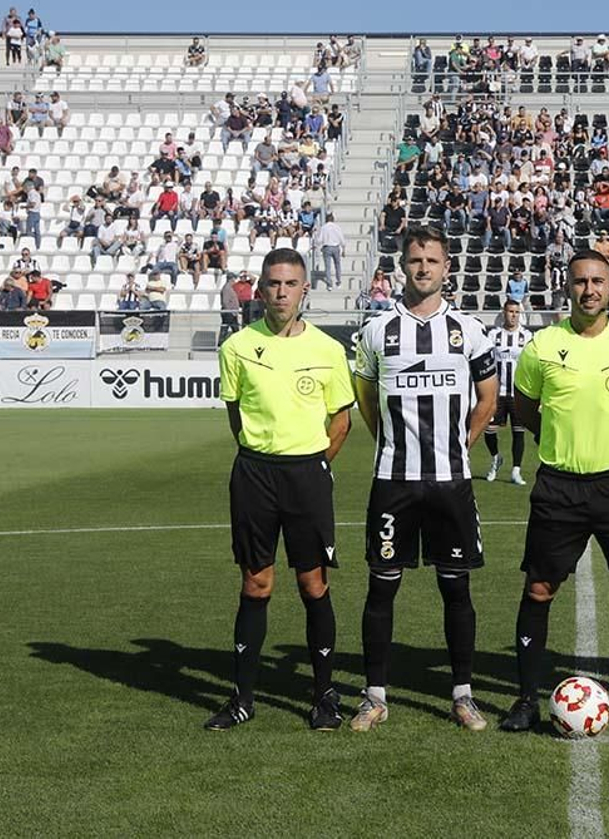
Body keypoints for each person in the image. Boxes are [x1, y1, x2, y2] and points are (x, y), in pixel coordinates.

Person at [500, 249, 609, 735]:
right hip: (557, 488)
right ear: (568, 286)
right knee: (539, 589)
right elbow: (527, 410)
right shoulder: (541, 346)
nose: (589, 289)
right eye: (580, 281)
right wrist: (563, 443)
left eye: (598, 280)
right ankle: (526, 700)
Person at [348, 226, 499, 732]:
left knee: (456, 590)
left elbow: (487, 400)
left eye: (432, 260)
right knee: (382, 588)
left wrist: (459, 447)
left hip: (451, 481)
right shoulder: (377, 331)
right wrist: (391, 442)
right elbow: (367, 400)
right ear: (402, 266)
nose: (423, 268)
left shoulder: (469, 330)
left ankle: (462, 694)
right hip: (394, 481)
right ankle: (374, 696)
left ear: (447, 267)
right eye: (415, 260)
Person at [203, 247, 356, 733]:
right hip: (254, 475)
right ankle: (243, 698)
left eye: (291, 284)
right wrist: (264, 457)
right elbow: (236, 417)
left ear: (305, 289)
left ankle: (324, 697)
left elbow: (342, 420)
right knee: (256, 583)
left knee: (313, 584)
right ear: (261, 289)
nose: (282, 292)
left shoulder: (329, 350)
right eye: (273, 284)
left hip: (307, 476)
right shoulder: (237, 348)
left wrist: (310, 464)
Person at [484, 299, 534, 485]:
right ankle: (496, 458)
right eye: (510, 311)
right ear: (503, 313)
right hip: (498, 393)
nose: (513, 315)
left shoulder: (526, 336)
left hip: (517, 392)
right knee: (489, 430)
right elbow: (486, 361)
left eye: (516, 312)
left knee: (518, 432)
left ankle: (516, 471)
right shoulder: (494, 335)